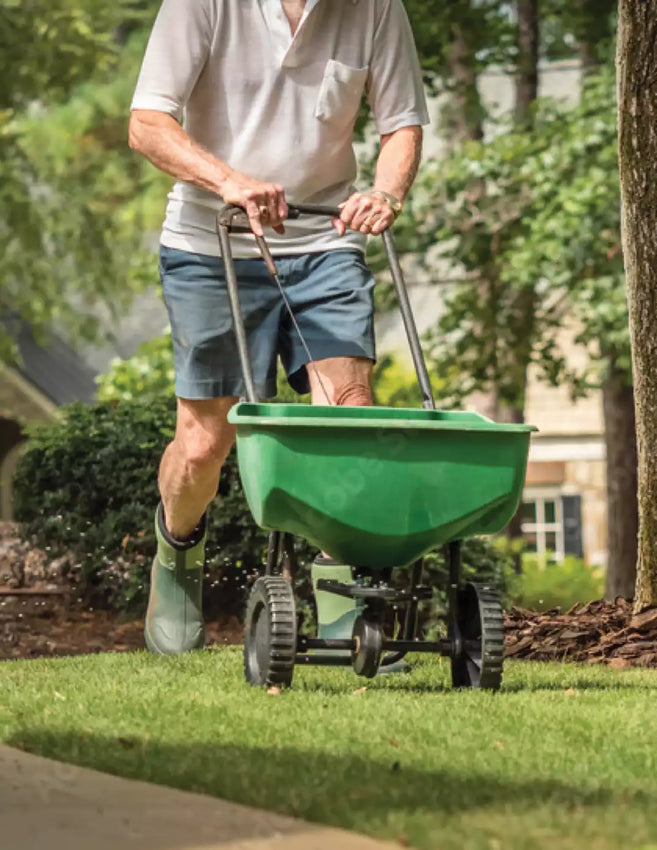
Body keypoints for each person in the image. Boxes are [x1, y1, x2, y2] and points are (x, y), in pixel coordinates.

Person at [128, 0, 428, 656]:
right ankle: (178, 552)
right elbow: (148, 124)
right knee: (205, 442)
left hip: (326, 239)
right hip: (212, 242)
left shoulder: (375, 8)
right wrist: (229, 180)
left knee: (346, 415)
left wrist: (385, 193)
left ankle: (345, 596)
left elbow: (402, 123)